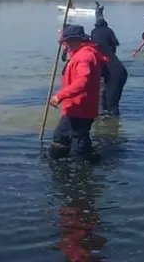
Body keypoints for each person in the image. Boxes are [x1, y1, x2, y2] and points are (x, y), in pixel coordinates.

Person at [48, 25, 107, 161]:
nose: (67, 45)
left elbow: (82, 82)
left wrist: (59, 96)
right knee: (67, 136)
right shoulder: (82, 52)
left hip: (80, 107)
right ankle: (67, 162)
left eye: (68, 42)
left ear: (77, 40)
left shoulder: (83, 57)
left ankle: (79, 165)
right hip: (77, 106)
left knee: (70, 138)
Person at [90, 17, 128, 116]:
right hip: (118, 71)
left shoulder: (95, 51)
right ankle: (109, 121)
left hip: (114, 74)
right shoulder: (108, 32)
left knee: (111, 104)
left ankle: (111, 123)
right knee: (109, 102)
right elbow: (116, 43)